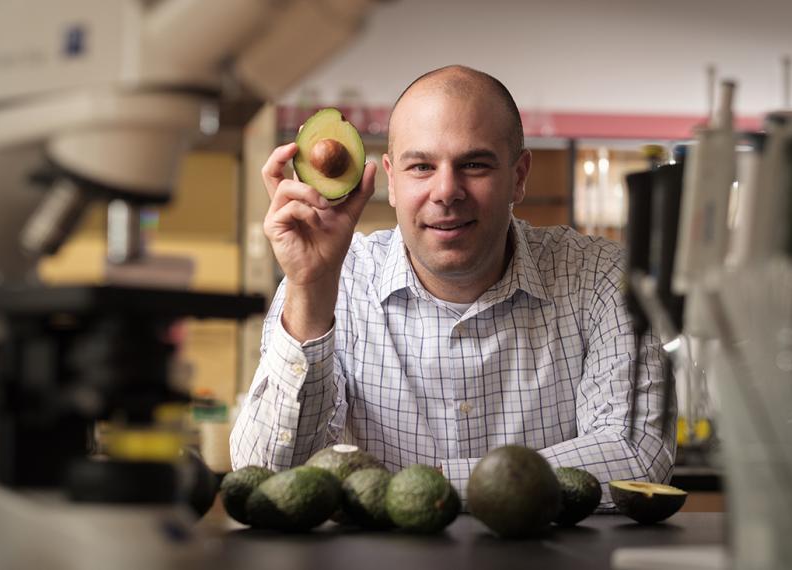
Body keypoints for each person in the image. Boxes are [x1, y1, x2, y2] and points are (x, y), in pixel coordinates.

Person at [230, 65, 674, 508]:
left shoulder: (600, 276)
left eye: (474, 164)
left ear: (518, 176)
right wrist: (311, 288)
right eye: (421, 166)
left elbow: (636, 451)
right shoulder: (339, 282)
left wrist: (440, 486)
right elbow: (268, 479)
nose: (446, 191)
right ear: (391, 179)